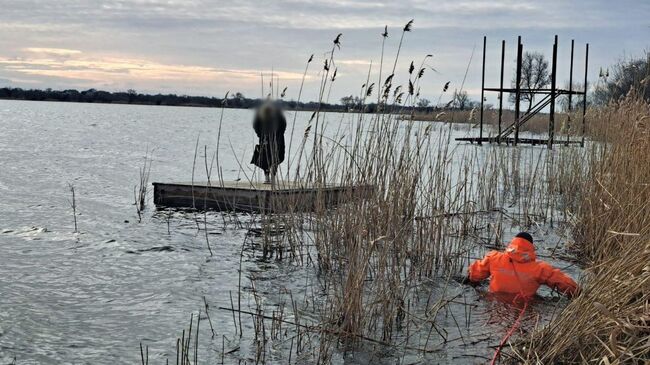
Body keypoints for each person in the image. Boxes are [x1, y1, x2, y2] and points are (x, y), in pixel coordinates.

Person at [466, 232, 579, 299]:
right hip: (524, 306)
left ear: (512, 243)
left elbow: (475, 274)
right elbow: (565, 283)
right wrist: (578, 293)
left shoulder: (494, 257)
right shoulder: (540, 268)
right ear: (530, 247)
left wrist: (470, 278)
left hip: (495, 301)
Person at [250, 102, 286, 183]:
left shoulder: (279, 116)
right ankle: (267, 176)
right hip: (265, 140)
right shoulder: (260, 116)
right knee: (264, 159)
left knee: (276, 158)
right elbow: (256, 125)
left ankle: (272, 176)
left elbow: (283, 126)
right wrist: (260, 135)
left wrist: (278, 135)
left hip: (277, 141)